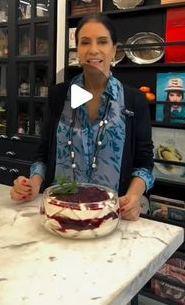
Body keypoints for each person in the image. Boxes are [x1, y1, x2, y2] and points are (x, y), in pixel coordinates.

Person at [10, 14, 154, 221]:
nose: (93, 50)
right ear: (77, 49)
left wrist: (133, 196)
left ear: (114, 49)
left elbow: (144, 163)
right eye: (85, 42)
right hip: (58, 212)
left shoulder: (133, 100)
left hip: (109, 216)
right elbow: (43, 153)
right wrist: (33, 183)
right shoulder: (59, 96)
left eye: (102, 42)